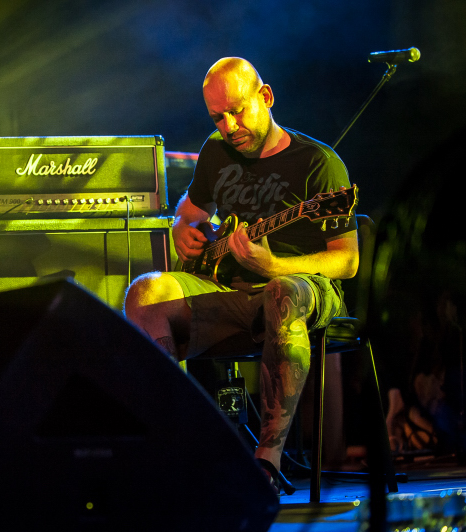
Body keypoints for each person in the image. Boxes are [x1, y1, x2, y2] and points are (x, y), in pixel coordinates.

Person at [123, 57, 359, 493]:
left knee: (282, 291)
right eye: (218, 117)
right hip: (229, 292)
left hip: (304, 288)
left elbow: (346, 261)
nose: (229, 126)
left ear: (265, 97)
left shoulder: (320, 163)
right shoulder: (216, 150)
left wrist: (276, 267)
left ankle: (264, 466)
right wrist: (182, 230)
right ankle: (175, 447)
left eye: (237, 111)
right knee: (144, 292)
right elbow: (191, 212)